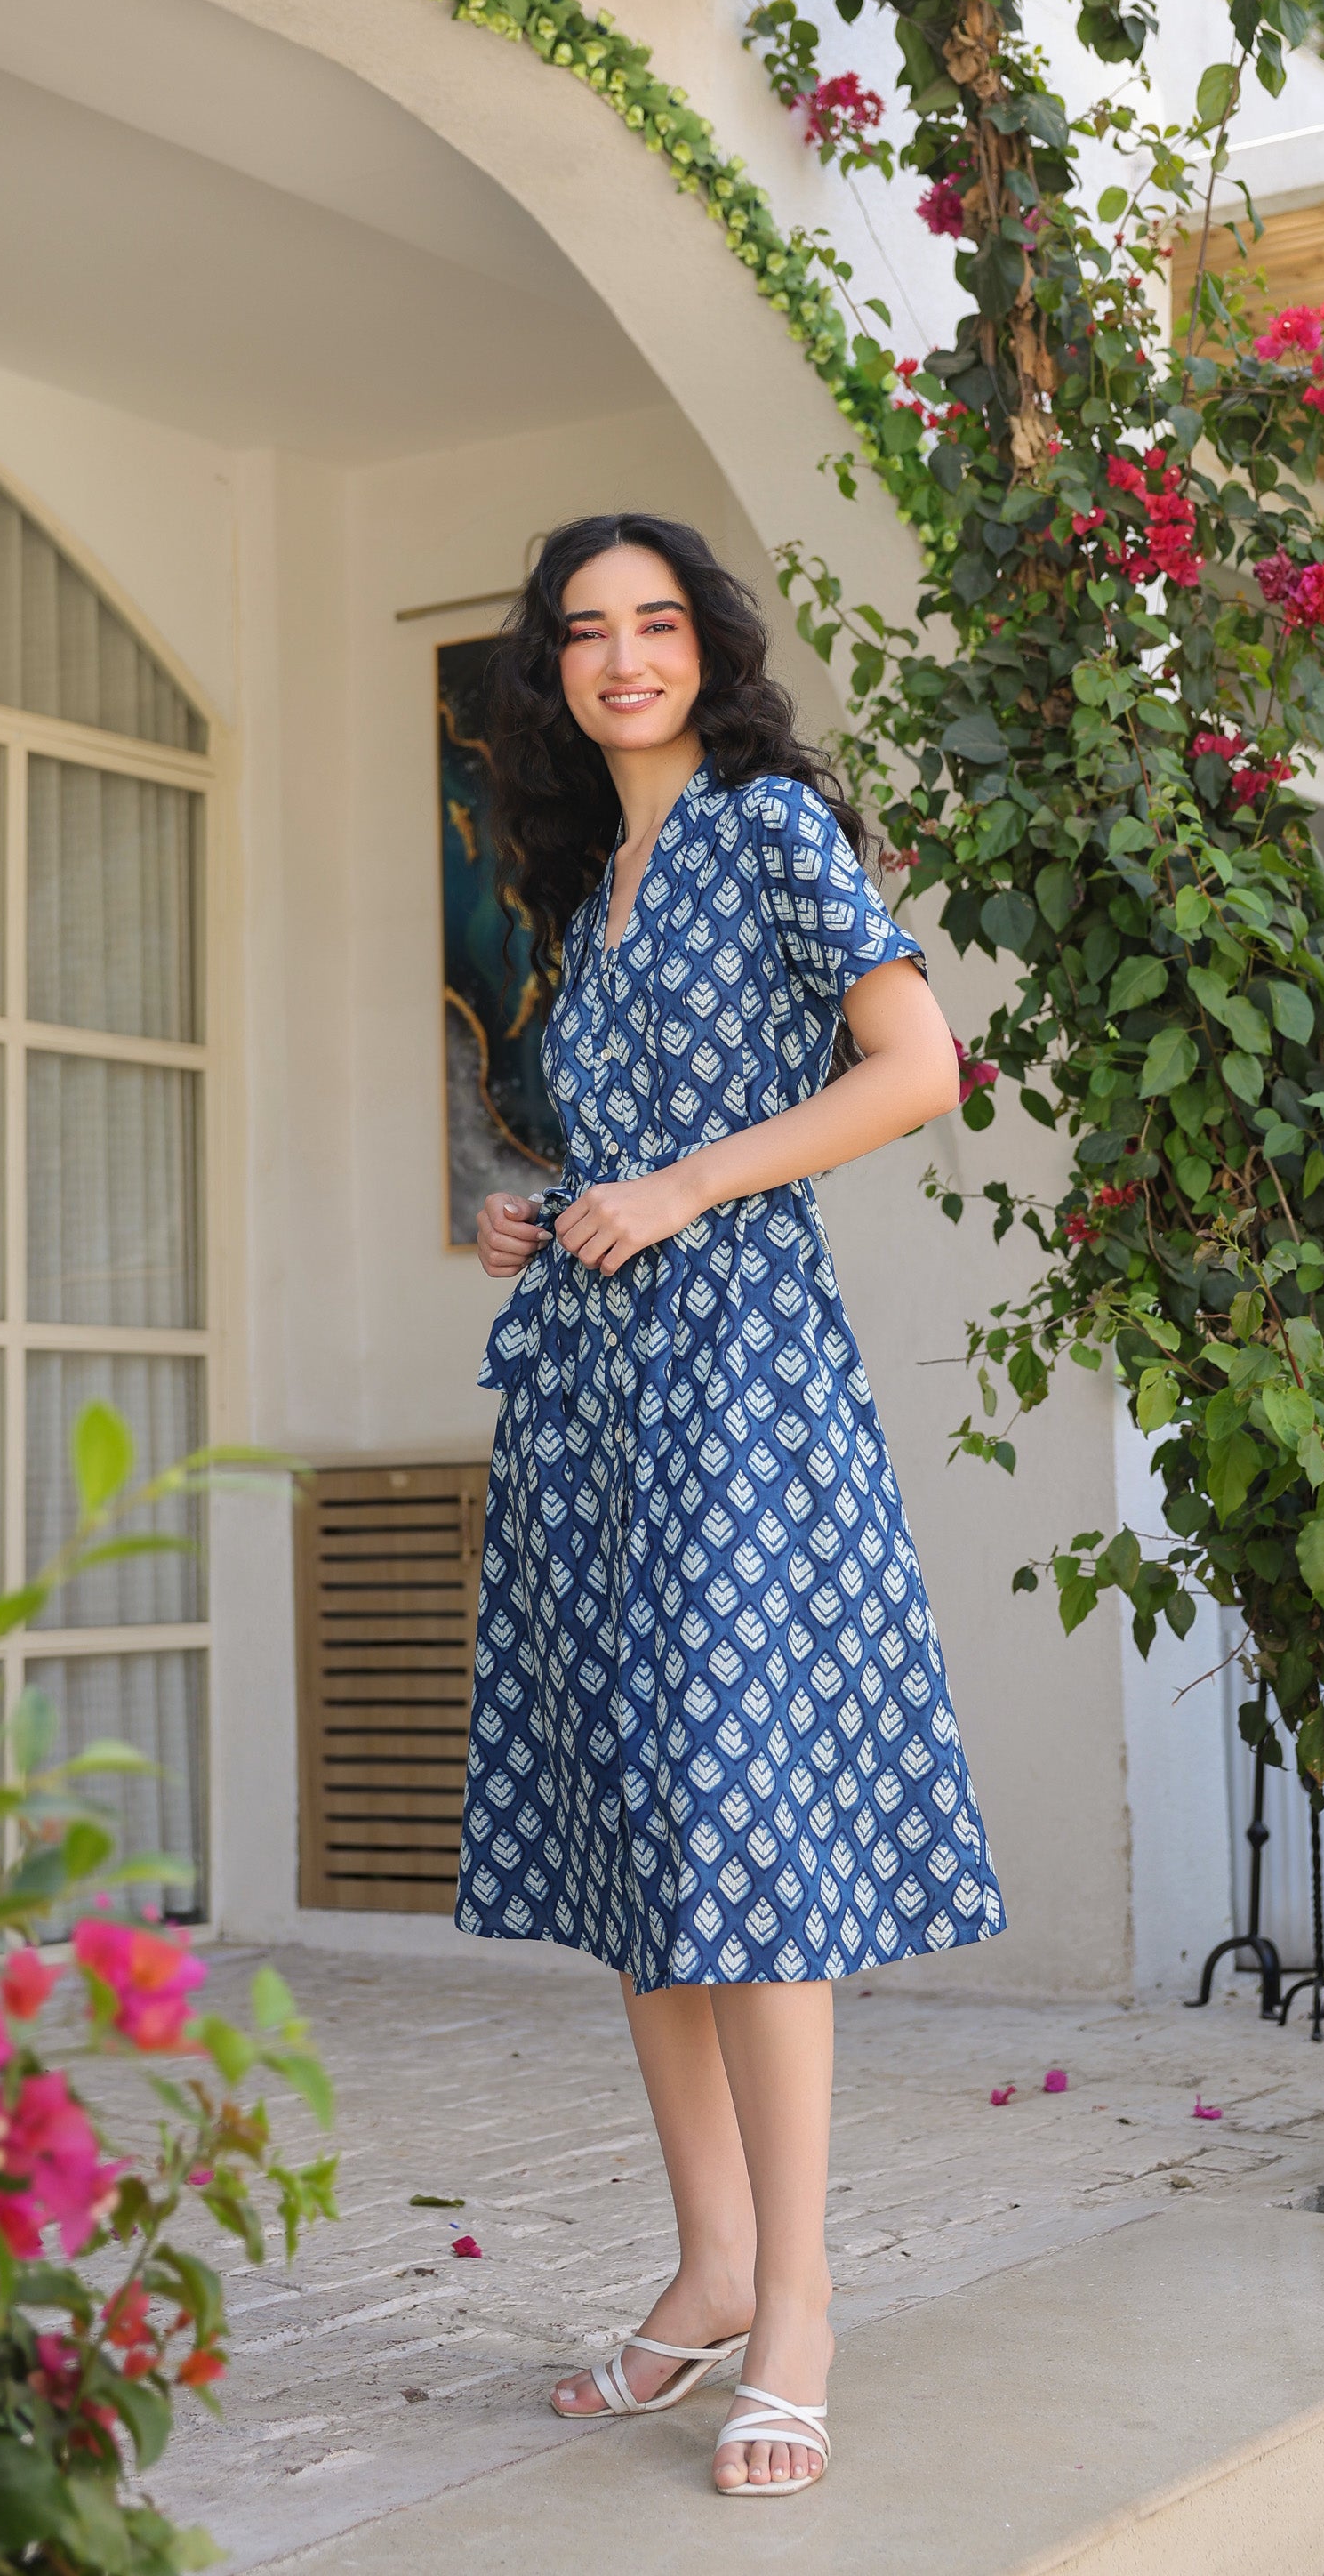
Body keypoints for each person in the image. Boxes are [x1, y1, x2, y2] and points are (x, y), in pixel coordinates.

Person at [459, 512, 1003, 2499]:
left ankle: (798, 2311)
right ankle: (703, 2269)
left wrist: (684, 1186)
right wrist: (542, 1208)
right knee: (642, 1838)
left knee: (746, 1836)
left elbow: (918, 1067)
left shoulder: (774, 826)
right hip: (596, 1398)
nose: (622, 658)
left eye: (655, 624)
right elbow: (607, 1141)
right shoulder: (577, 886)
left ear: (707, 648)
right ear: (554, 670)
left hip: (742, 1393)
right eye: (586, 633)